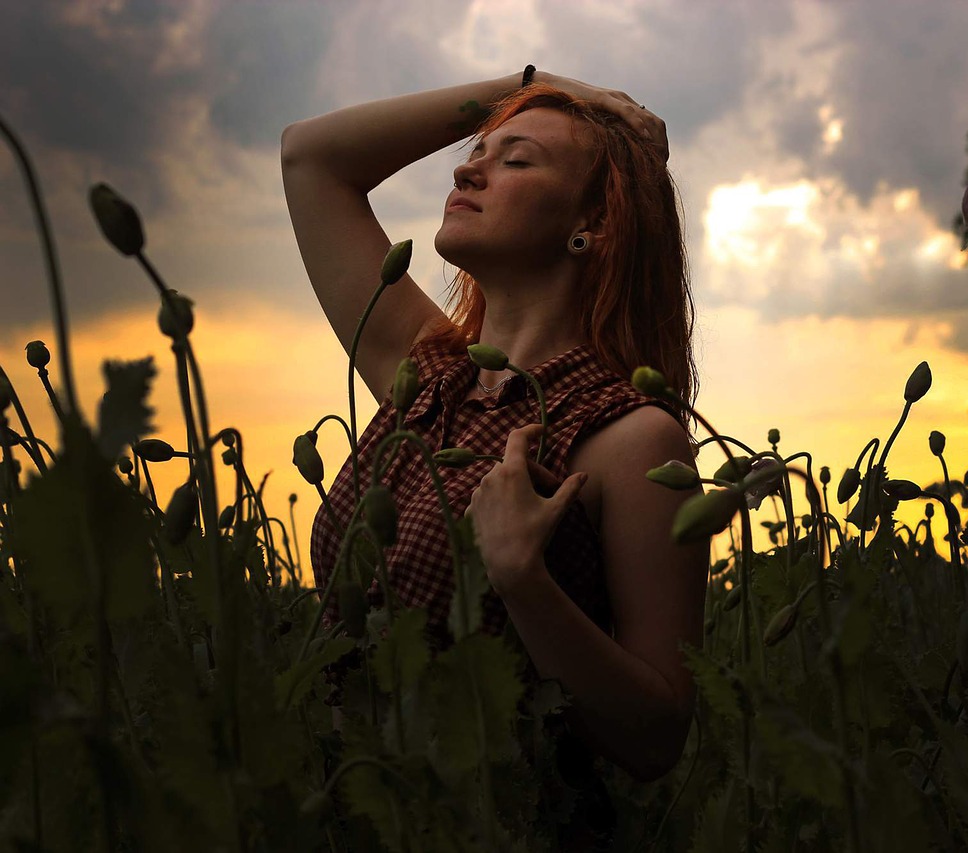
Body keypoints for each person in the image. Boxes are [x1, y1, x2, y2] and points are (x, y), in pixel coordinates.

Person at [280, 68, 707, 842]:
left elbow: (657, 736)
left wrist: (524, 581)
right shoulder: (423, 372)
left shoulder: (629, 438)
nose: (466, 168)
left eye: (516, 160)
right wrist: (543, 86)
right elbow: (311, 156)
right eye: (478, 151)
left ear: (594, 224)